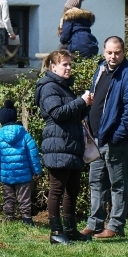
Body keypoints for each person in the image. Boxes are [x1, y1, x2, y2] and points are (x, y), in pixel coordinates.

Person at [82, 36, 128, 239]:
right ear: (104, 52)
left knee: (118, 183)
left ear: (124, 52)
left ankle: (115, 226)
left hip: (117, 139)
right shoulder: (100, 69)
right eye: (109, 52)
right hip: (96, 138)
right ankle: (95, 224)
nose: (113, 56)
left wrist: (117, 137)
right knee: (96, 181)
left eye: (117, 52)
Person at [35, 49, 94, 245]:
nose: (69, 67)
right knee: (57, 190)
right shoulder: (49, 87)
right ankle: (55, 232)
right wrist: (80, 102)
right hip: (57, 143)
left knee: (72, 189)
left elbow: (72, 114)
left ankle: (70, 229)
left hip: (71, 144)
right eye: (64, 64)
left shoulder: (64, 87)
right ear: (53, 67)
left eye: (70, 64)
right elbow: (58, 113)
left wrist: (86, 105)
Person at [0, 99, 42, 225]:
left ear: (1, 120)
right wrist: (37, 171)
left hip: (6, 176)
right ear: (15, 117)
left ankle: (9, 218)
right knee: (25, 198)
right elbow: (33, 155)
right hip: (24, 174)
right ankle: (27, 219)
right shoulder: (25, 135)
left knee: (9, 197)